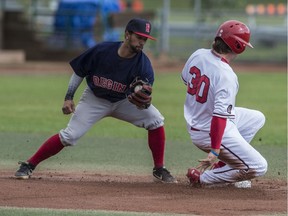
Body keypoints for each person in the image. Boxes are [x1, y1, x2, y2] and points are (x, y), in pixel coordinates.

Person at [15, 18, 177, 183]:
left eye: (145, 39)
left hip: (123, 101)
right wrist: (69, 97)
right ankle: (29, 164)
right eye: (139, 37)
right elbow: (80, 71)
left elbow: (146, 97)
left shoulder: (144, 65)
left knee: (155, 119)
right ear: (127, 34)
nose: (142, 42)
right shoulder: (102, 50)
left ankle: (159, 168)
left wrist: (143, 103)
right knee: (70, 136)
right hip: (95, 98)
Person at [182, 20, 267, 187]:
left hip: (198, 122)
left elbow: (186, 80)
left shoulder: (198, 54)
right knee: (259, 166)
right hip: (209, 130)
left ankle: (226, 166)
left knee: (257, 118)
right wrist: (215, 150)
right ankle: (202, 179)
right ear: (238, 46)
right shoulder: (226, 75)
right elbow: (218, 118)